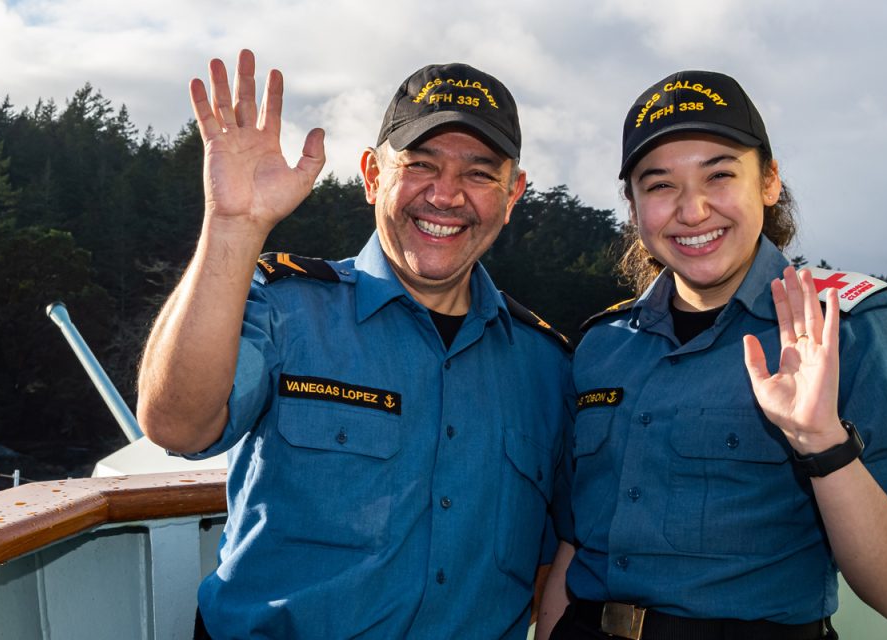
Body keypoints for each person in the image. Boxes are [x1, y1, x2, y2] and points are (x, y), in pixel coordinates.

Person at [136, 50, 573, 638]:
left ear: (513, 194)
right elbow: (176, 426)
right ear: (372, 175)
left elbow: (549, 564)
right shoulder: (287, 308)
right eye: (420, 164)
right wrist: (232, 227)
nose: (445, 196)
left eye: (479, 173)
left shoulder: (547, 366)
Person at [537, 70, 887, 640]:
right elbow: (574, 547)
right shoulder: (603, 346)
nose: (693, 210)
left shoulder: (848, 330)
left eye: (720, 175)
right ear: (633, 209)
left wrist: (822, 442)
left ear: (769, 182)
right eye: (659, 185)